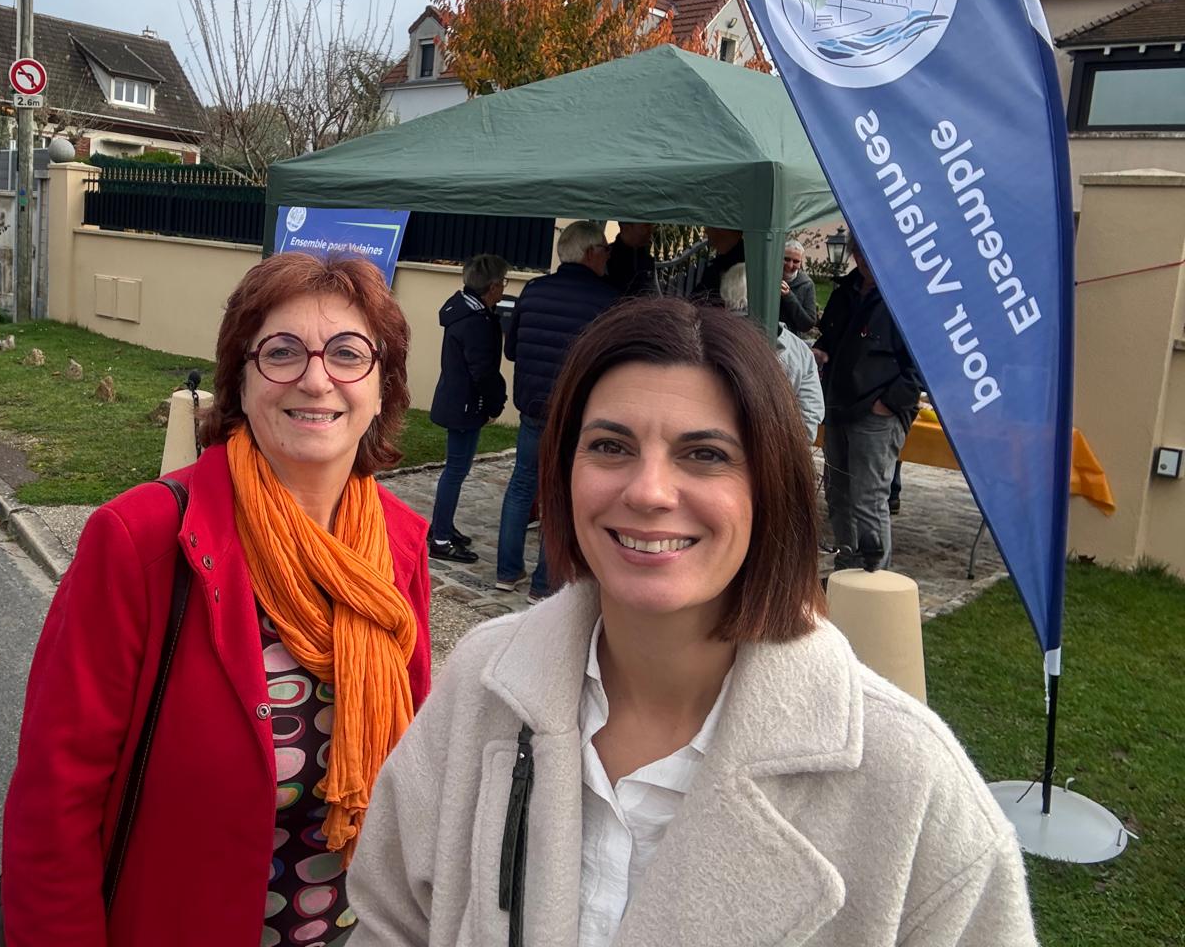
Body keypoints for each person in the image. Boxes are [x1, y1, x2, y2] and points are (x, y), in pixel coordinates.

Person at [347, 299, 1037, 947]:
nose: (648, 491)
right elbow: (389, 916)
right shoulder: (483, 682)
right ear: (564, 474)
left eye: (704, 454)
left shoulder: (913, 787)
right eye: (611, 447)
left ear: (769, 489)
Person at [2, 252, 434, 946]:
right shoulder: (142, 539)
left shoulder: (398, 548)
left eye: (349, 354)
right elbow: (53, 808)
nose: (316, 378)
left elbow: (419, 772)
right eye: (282, 352)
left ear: (383, 388)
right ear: (239, 378)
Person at [495, 221, 618, 602]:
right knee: (561, 493)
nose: (608, 256)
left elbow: (512, 348)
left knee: (522, 484)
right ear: (590, 253)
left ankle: (506, 570)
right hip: (573, 412)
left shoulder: (533, 290)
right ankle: (544, 584)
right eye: (604, 249)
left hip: (532, 405)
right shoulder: (606, 299)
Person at [814, 242, 921, 567]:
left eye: (868, 249)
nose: (863, 258)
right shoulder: (844, 291)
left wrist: (889, 403)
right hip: (838, 406)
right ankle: (849, 567)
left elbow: (925, 365)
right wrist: (819, 353)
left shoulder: (906, 300)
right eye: (857, 251)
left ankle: (875, 580)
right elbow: (828, 339)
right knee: (838, 494)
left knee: (869, 498)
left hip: (875, 413)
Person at [427, 253, 509, 563]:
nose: (503, 289)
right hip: (464, 405)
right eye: (502, 283)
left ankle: (442, 525)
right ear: (491, 288)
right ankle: (441, 538)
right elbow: (483, 371)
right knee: (455, 470)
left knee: (455, 469)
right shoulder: (476, 322)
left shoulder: (465, 310)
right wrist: (493, 404)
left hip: (456, 398)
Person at [719, 264, 824, 442]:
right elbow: (809, 419)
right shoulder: (799, 351)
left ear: (725, 293)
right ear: (773, 296)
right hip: (779, 454)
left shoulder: (706, 337)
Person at [690, 226, 745, 302]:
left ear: (721, 229)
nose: (706, 231)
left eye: (709, 225)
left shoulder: (742, 265)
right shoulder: (717, 266)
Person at [779, 238, 819, 336]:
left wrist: (789, 296)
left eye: (796, 261)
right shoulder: (768, 277)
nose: (790, 265)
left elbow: (807, 324)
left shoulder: (807, 284)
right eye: (787, 259)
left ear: (801, 263)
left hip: (790, 340)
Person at [605, 221, 656, 297]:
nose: (651, 230)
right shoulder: (605, 257)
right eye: (646, 225)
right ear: (626, 227)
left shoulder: (647, 259)